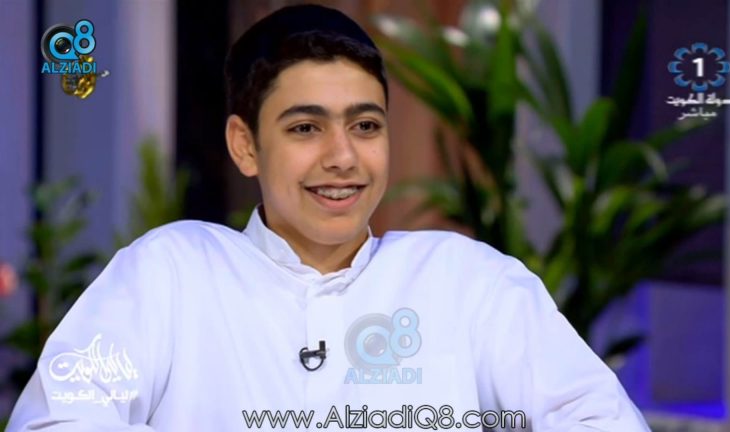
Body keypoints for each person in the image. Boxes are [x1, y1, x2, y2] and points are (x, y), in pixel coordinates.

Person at [7, 4, 650, 431]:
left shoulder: (468, 281)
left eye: (365, 126)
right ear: (245, 146)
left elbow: (601, 419)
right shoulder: (171, 273)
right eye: (306, 127)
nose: (342, 157)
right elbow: (58, 419)